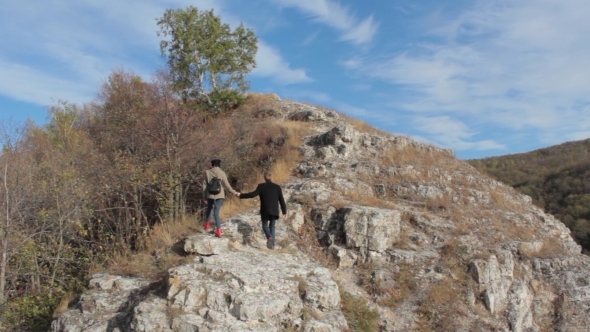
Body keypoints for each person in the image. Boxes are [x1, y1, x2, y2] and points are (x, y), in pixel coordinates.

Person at [239, 172, 287, 249]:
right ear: (271, 178)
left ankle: (269, 237)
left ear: (264, 178)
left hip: (265, 209)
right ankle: (272, 245)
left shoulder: (261, 186)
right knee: (272, 226)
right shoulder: (277, 187)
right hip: (274, 210)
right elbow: (281, 200)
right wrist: (284, 211)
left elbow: (253, 194)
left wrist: (241, 195)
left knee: (264, 224)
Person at [202, 158, 239, 237]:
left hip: (210, 194)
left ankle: (207, 225)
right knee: (216, 211)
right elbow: (227, 185)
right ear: (219, 165)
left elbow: (204, 185)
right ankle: (218, 230)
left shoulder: (207, 172)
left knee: (209, 208)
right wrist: (234, 192)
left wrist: (204, 196)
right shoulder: (222, 173)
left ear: (212, 165)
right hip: (220, 194)